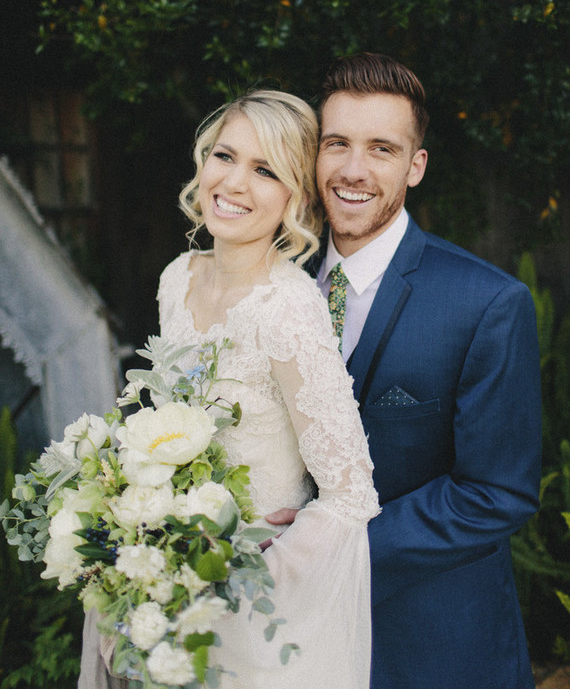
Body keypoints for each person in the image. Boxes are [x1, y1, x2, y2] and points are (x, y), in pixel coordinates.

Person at [78, 89, 380, 689]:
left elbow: (350, 494)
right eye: (225, 155)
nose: (234, 182)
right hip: (165, 584)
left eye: (266, 170)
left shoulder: (288, 310)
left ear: (296, 196)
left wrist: (255, 562)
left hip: (251, 604)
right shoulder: (178, 278)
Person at [268, 52, 542, 689]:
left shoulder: (486, 303)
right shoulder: (274, 284)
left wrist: (324, 554)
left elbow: (497, 493)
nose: (353, 170)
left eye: (382, 149)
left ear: (415, 166)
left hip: (431, 649)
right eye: (337, 143)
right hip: (285, 645)